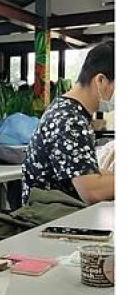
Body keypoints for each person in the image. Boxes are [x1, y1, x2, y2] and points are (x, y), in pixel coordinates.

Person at [22, 40, 115, 205]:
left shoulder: (69, 111)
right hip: (50, 221)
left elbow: (87, 172)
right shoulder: (68, 120)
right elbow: (91, 190)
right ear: (100, 80)